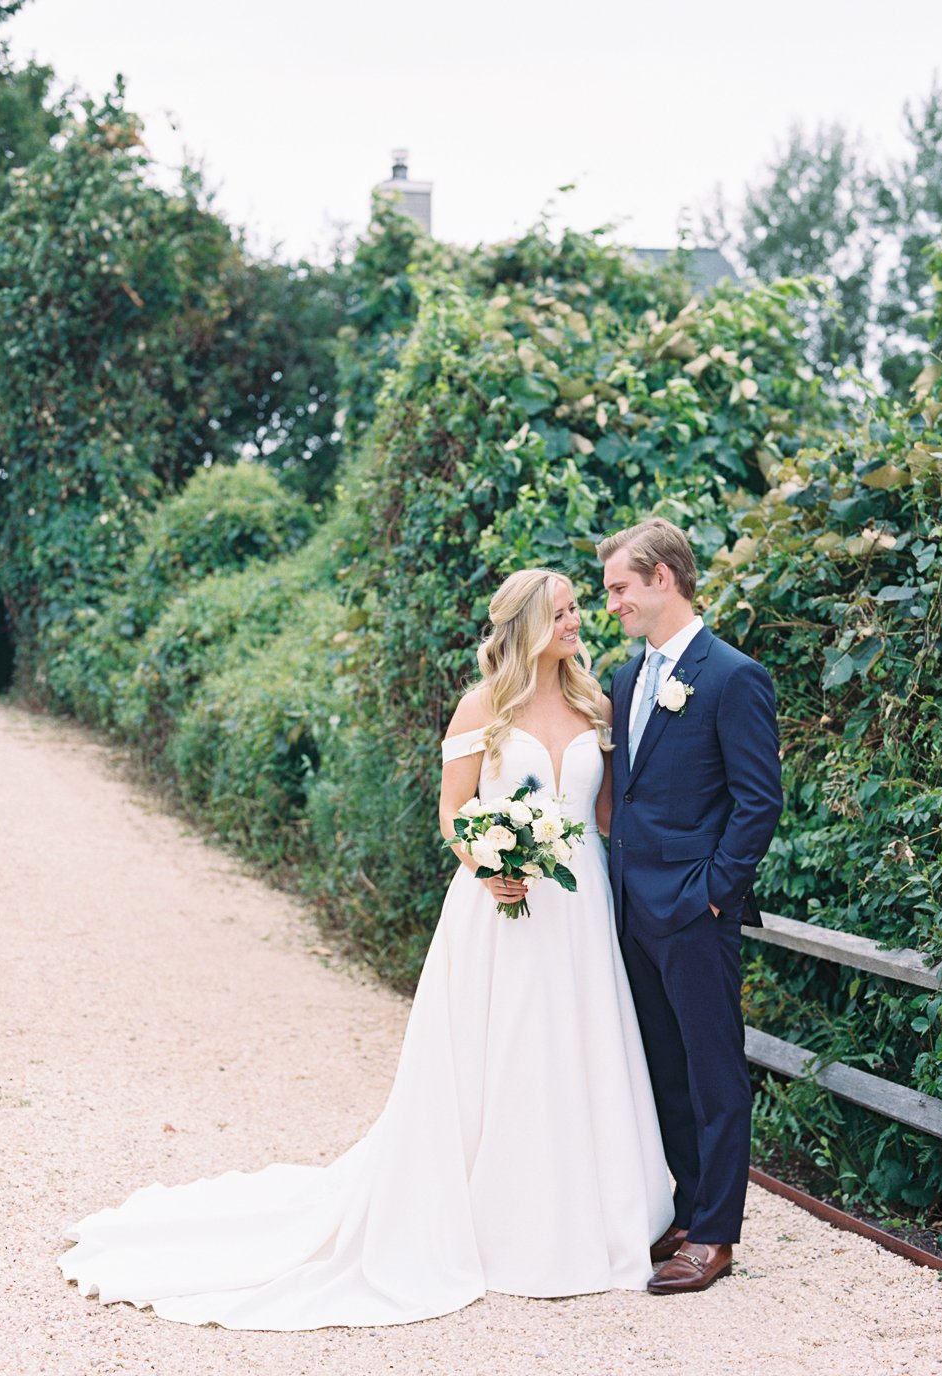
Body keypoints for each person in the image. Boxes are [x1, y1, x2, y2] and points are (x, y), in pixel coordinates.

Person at [59, 567, 674, 1330]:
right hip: (500, 908)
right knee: (505, 1052)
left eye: (579, 607)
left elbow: (609, 814)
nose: (579, 619)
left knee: (578, 1047)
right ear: (525, 627)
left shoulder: (595, 703)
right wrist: (492, 866)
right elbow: (454, 815)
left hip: (579, 911)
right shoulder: (484, 706)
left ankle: (591, 1215)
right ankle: (502, 1219)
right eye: (563, 611)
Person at [598, 518, 783, 1295]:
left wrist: (713, 893)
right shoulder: (624, 677)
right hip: (630, 911)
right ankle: (683, 1210)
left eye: (619, 589)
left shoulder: (732, 676)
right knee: (663, 1070)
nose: (611, 605)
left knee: (713, 1075)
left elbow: (758, 801)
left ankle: (715, 1235)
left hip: (694, 912)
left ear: (662, 580)